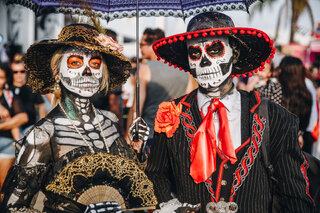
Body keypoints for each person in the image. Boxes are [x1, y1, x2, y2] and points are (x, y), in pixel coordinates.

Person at [146, 12, 315, 213]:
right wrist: (168, 206)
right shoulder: (171, 114)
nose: (204, 62)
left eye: (215, 50)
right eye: (195, 54)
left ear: (234, 54)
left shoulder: (275, 117)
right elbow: (156, 175)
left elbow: (294, 198)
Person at [1, 24, 155, 212]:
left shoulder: (110, 121)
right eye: (75, 62)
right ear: (57, 73)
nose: (87, 71)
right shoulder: (43, 135)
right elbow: (13, 207)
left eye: (95, 63)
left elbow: (129, 182)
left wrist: (137, 150)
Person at [126, 28, 191, 152]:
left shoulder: (144, 70)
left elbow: (136, 108)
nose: (140, 48)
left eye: (142, 44)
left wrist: (128, 137)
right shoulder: (183, 70)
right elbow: (188, 104)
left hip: (150, 136)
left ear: (153, 45)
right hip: (178, 137)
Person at [0, 63, 28, 202]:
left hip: (6, 143)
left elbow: (23, 117)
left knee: (3, 186)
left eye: (1, 77)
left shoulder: (9, 96)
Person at [278, 56, 313, 152]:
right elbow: (309, 119)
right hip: (301, 139)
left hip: (278, 142)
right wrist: (300, 134)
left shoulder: (277, 90)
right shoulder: (306, 94)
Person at [10, 53, 47, 134]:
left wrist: (41, 126)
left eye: (22, 71)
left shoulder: (32, 89)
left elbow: (41, 108)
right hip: (11, 129)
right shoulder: (7, 89)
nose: (18, 74)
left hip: (29, 128)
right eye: (15, 72)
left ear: (26, 72)